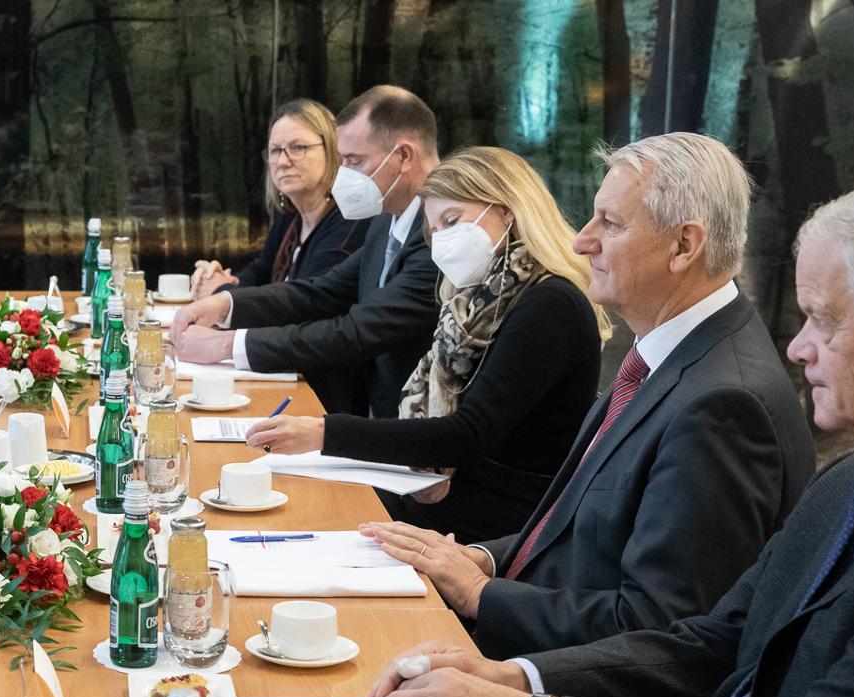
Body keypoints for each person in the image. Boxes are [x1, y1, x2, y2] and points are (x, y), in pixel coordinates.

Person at [354, 174, 854, 697]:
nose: (798, 346)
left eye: (822, 318)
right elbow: (713, 640)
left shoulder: (728, 400)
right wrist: (514, 679)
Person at [360, 132, 814, 658]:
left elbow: (661, 631)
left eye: (611, 223)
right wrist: (480, 559)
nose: (582, 240)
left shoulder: (723, 405)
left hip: (561, 680)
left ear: (684, 246)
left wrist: (483, 597)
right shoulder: (670, 351)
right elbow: (577, 533)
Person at [242, 147, 606, 543]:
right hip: (448, 492)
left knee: (309, 517)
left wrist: (325, 433)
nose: (443, 242)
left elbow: (466, 434)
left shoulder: (550, 304)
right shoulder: (474, 300)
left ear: (508, 210)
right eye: (435, 231)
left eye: (453, 221)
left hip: (499, 526)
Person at [170, 85, 443, 417]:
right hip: (374, 422)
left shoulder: (438, 235)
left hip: (409, 431)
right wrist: (226, 304)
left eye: (355, 161)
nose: (344, 173)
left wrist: (226, 345)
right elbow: (317, 292)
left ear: (402, 157)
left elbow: (358, 330)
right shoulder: (386, 221)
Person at [190, 98, 364, 297]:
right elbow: (260, 272)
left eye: (298, 148)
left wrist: (222, 291)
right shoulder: (290, 217)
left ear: (332, 149)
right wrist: (226, 280)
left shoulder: (350, 221)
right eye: (275, 150)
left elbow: (304, 302)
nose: (282, 161)